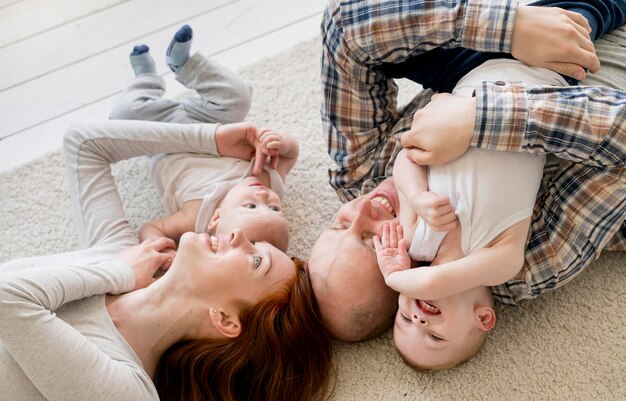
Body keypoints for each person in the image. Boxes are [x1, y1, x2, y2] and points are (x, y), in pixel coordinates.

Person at [310, 0, 626, 341]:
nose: (361, 208)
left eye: (338, 223)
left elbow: (343, 25)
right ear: (412, 266)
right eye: (371, 239)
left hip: (478, 69)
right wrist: (479, 120)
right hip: (588, 82)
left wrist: (510, 27)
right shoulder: (524, 264)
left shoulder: (360, 176)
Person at [0, 119, 333, 401]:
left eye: (255, 260)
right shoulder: (126, 253)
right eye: (256, 243)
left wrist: (121, 273)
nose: (240, 236)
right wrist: (212, 139)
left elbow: (8, 298)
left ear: (225, 319)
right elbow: (85, 143)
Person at [374, 54, 575, 370]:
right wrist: (395, 279)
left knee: (384, 48)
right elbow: (433, 283)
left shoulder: (416, 238)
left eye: (403, 319)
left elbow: (406, 159)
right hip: (548, 80)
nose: (417, 319)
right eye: (435, 338)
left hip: (472, 71)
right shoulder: (500, 263)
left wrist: (416, 195)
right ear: (482, 317)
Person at [110, 25, 298, 253]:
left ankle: (146, 79)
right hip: (210, 124)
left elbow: (153, 227)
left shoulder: (194, 217)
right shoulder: (266, 181)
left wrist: (162, 250)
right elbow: (290, 156)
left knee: (121, 118)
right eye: (275, 209)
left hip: (164, 139)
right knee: (239, 97)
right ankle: (185, 65)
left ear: (216, 218)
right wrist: (279, 141)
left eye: (251, 205)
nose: (264, 196)